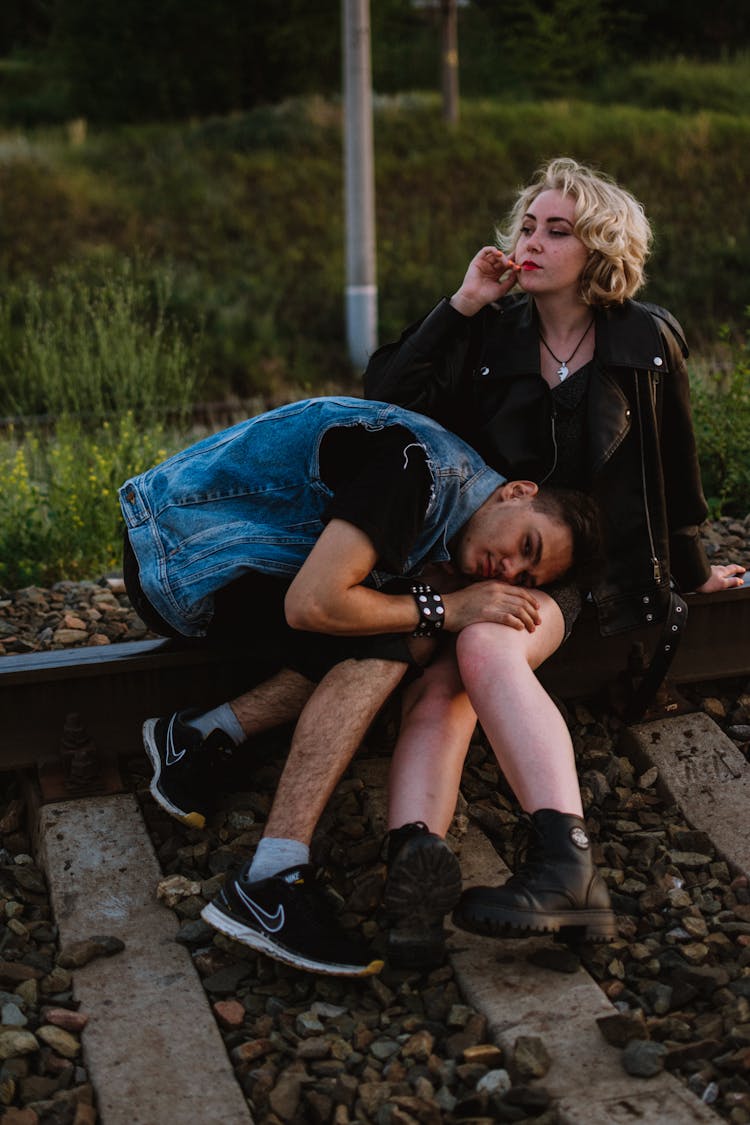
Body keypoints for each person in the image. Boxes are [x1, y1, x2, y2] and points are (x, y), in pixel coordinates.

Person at [364, 157, 746, 966]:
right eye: (528, 226)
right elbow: (382, 406)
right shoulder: (490, 332)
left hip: (584, 570)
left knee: (482, 645)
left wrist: (692, 570)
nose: (530, 242)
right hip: (493, 547)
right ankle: (413, 878)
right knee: (436, 686)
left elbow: (675, 470)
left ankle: (568, 872)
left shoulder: (646, 338)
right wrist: (462, 304)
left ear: (600, 248)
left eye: (556, 230)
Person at [120, 394, 602, 976]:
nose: (509, 571)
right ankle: (270, 879)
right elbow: (313, 604)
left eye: (527, 577)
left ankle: (201, 736)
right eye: (526, 546)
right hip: (179, 560)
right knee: (396, 634)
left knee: (408, 619)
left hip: (222, 556)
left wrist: (434, 607)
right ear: (517, 491)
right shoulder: (418, 469)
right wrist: (445, 609)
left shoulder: (447, 504)